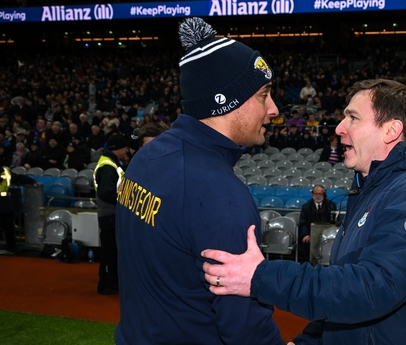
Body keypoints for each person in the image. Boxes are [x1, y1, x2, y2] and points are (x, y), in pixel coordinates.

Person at [202, 78, 406, 344]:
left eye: (352, 117)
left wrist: (261, 276)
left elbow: (371, 290)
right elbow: (344, 301)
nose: (339, 128)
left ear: (391, 131)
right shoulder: (368, 192)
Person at [114, 18, 284, 345]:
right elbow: (244, 326)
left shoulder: (147, 157)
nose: (273, 109)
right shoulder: (219, 195)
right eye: (264, 95)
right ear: (227, 101)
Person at [94, 134, 129, 295]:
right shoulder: (109, 166)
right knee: (110, 250)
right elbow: (106, 193)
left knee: (111, 250)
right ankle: (108, 283)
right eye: (125, 148)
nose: (126, 151)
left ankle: (109, 282)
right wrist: (126, 199)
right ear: (119, 149)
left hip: (109, 213)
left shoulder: (108, 163)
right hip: (110, 213)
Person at [0, 167, 37, 255]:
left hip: (4, 203)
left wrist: (31, 181)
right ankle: (11, 246)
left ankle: (11, 246)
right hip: (4, 203)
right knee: (8, 226)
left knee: (8, 226)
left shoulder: (5, 171)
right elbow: (17, 177)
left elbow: (17, 177)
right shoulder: (5, 170)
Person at [297, 185, 337, 263]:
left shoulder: (331, 205)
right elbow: (303, 222)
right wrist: (306, 234)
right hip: (310, 234)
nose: (318, 196)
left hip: (328, 233)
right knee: (305, 242)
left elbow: (335, 221)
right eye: (316, 194)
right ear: (312, 194)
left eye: (320, 194)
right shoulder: (306, 207)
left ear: (324, 195)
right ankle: (309, 264)